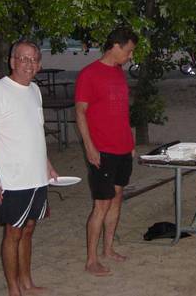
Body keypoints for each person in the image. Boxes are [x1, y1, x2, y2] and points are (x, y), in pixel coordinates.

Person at [0, 39, 58, 296]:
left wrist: (48, 165)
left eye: (33, 59)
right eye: (23, 58)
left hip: (36, 177)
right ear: (12, 61)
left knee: (30, 229)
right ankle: (14, 288)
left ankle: (26, 281)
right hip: (12, 180)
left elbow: (35, 132)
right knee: (13, 232)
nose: (28, 64)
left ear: (39, 65)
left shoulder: (35, 90)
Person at [75, 27, 138, 276]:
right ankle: (91, 260)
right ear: (115, 46)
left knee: (117, 199)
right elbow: (80, 112)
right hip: (102, 150)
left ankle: (108, 249)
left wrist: (131, 143)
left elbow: (121, 111)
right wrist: (89, 147)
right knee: (101, 205)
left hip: (123, 148)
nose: (130, 56)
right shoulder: (89, 74)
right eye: (129, 51)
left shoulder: (119, 73)